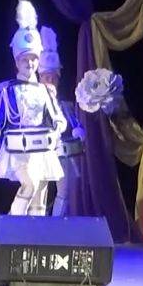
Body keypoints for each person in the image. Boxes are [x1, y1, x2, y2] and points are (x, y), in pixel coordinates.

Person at [0, 0, 67, 216]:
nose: (30, 64)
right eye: (25, 60)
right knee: (30, 185)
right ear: (17, 62)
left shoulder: (44, 90)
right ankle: (12, 223)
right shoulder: (6, 90)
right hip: (18, 149)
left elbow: (57, 117)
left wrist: (58, 126)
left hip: (41, 148)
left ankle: (35, 232)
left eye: (33, 59)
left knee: (40, 195)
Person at [37, 26, 85, 216]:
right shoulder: (32, 103)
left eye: (53, 78)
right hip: (39, 152)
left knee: (64, 192)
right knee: (38, 191)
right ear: (40, 79)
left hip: (61, 153)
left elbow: (74, 122)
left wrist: (78, 130)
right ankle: (35, 225)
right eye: (46, 78)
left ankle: (56, 224)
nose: (50, 82)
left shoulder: (64, 103)